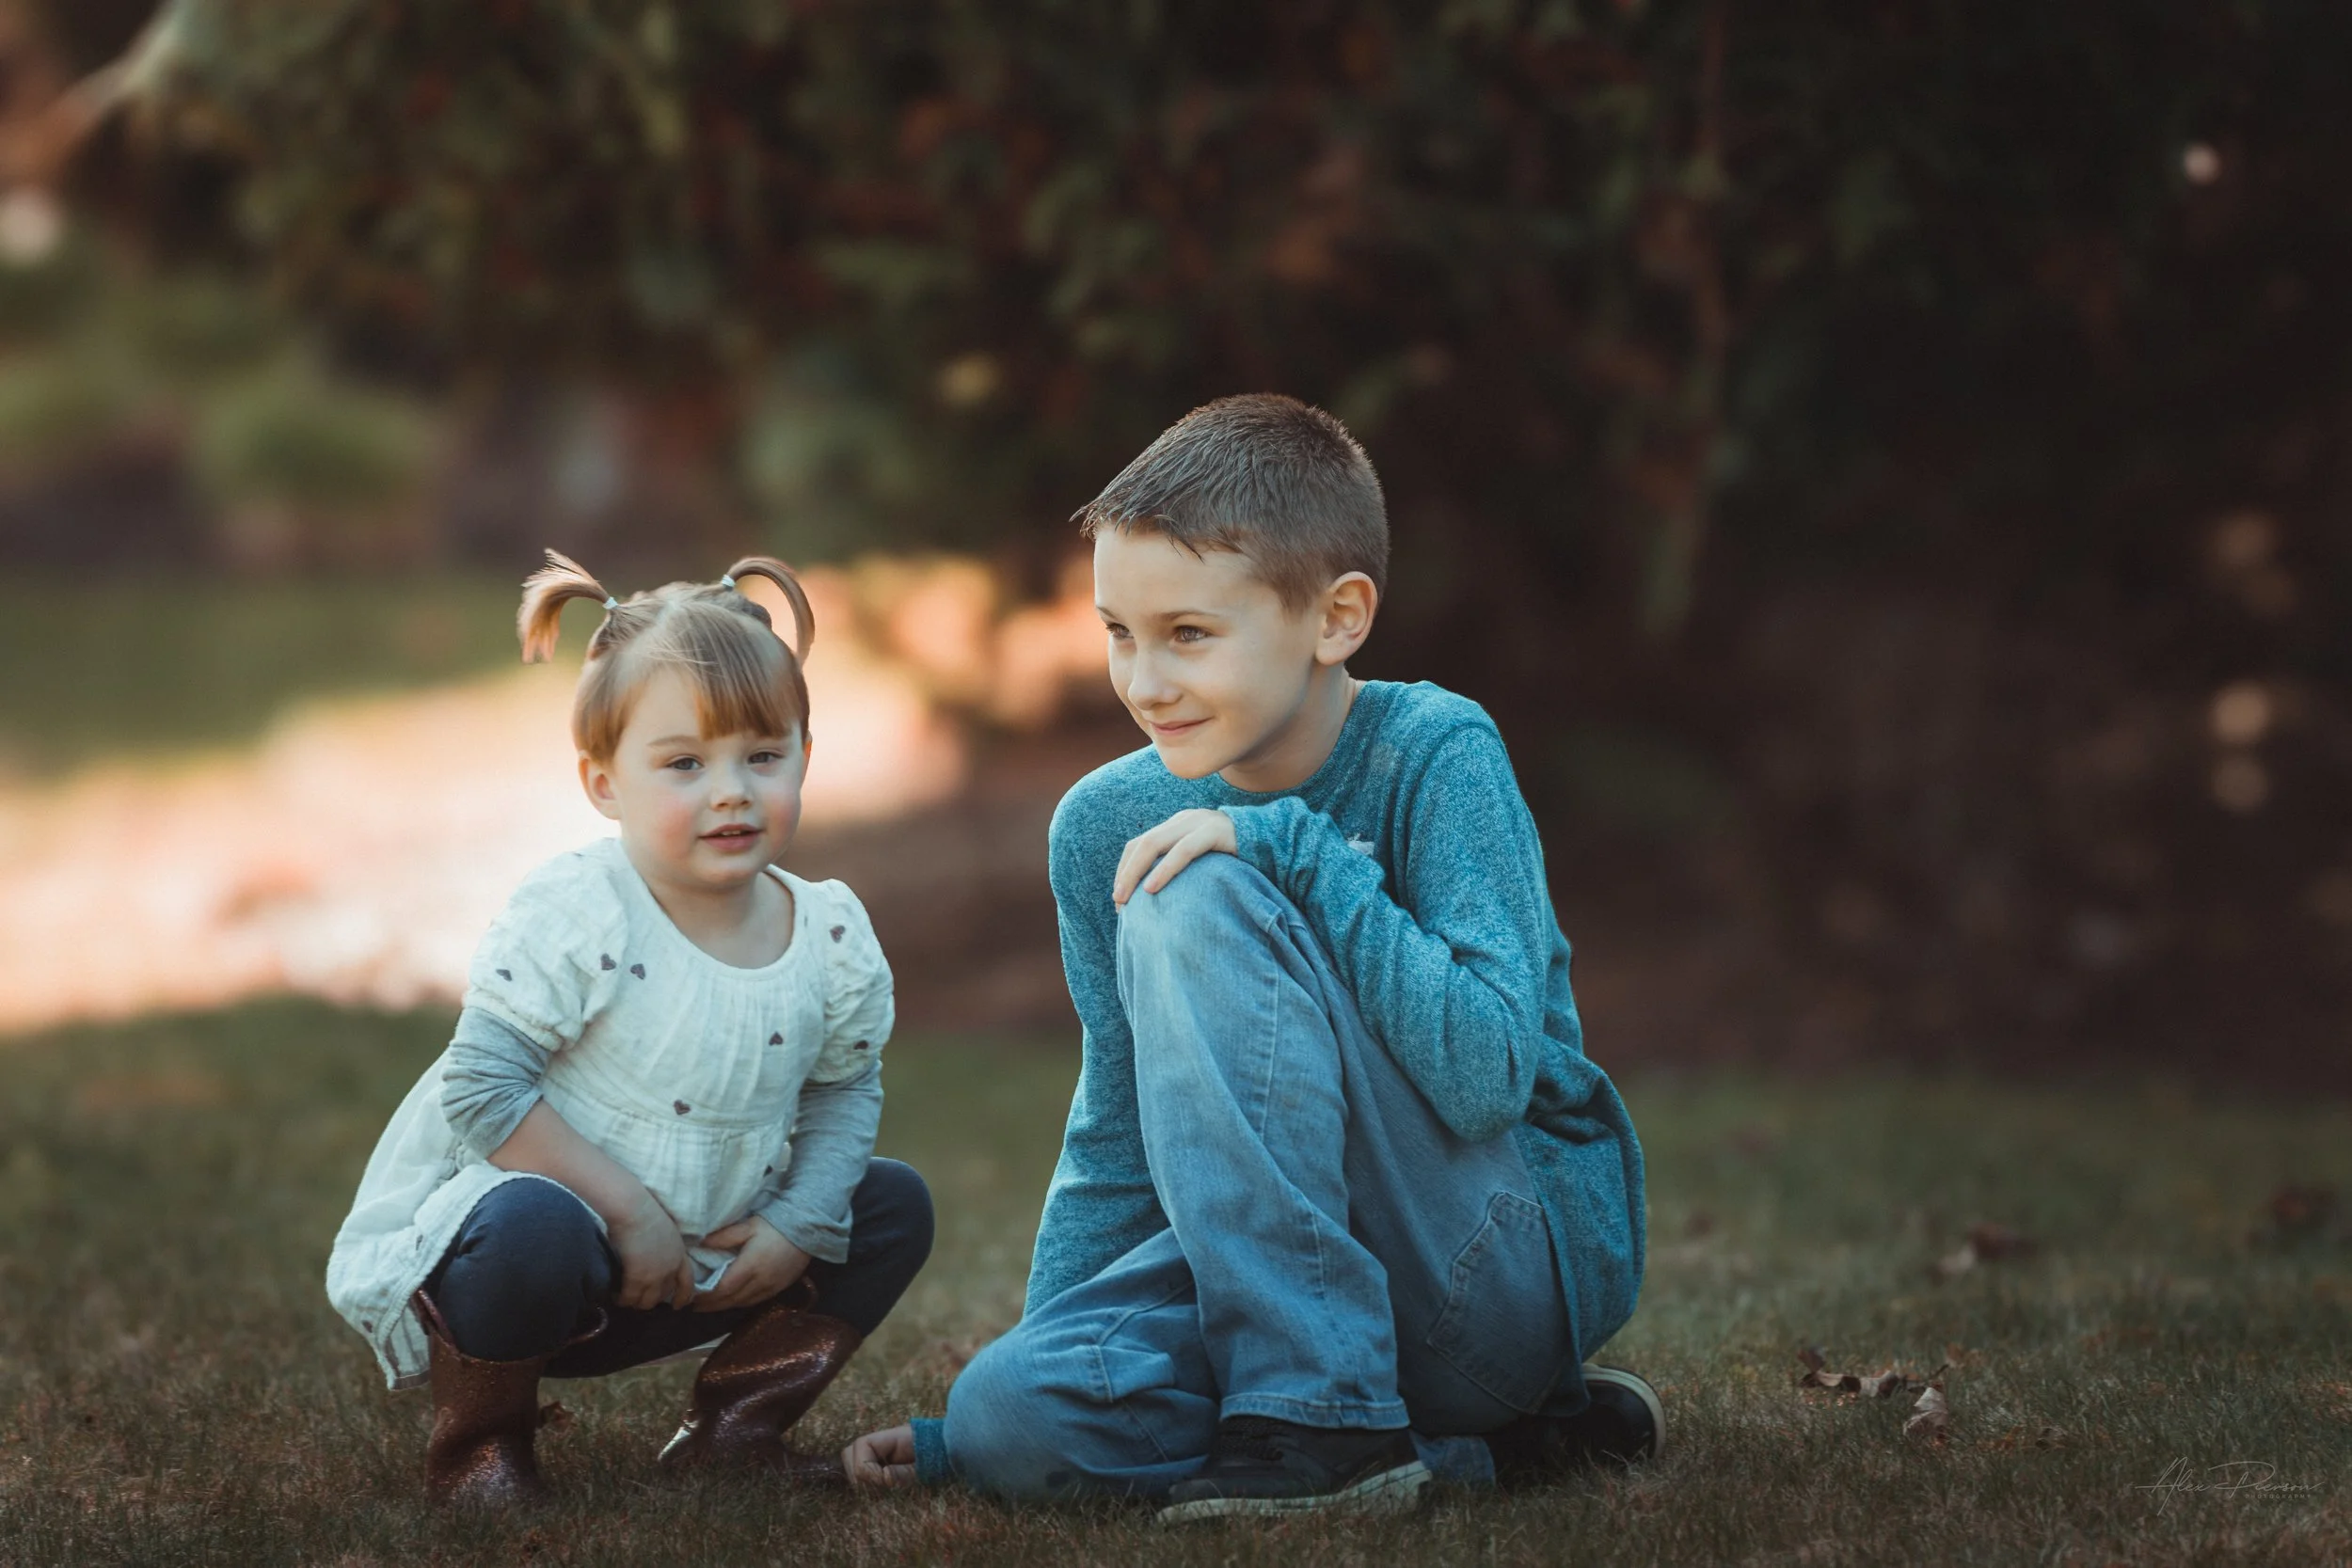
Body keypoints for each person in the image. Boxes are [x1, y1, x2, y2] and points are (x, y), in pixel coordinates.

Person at [842, 394, 1654, 1520]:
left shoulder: (1435, 753)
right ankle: (1476, 1452)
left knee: (1195, 891)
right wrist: (1058, 1344)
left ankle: (1328, 1416)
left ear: (1337, 617)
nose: (1144, 681)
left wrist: (1289, 848)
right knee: (1005, 1417)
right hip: (1274, 1270)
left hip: (1488, 1271)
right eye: (1118, 632)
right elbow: (1122, 1120)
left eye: (1188, 634)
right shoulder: (1100, 821)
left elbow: (1485, 1077)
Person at [327, 551, 931, 1508]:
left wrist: (797, 1218)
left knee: (892, 1202)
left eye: (761, 755)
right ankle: (483, 1449)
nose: (731, 789)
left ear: (805, 758)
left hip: (715, 1253)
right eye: (685, 763)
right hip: (546, 1261)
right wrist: (628, 1212)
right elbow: (482, 1085)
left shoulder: (828, 931)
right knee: (530, 1217)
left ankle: (736, 1426)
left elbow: (842, 1082)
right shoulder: (582, 906)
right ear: (604, 782)